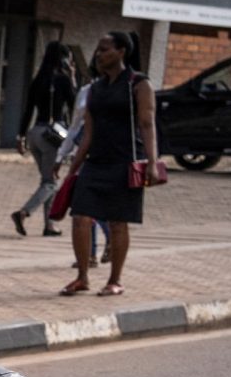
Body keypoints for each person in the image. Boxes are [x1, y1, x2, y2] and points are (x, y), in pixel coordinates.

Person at [63, 30, 160, 298]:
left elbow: (147, 123)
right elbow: (89, 132)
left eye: (105, 49)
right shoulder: (95, 88)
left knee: (118, 222)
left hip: (125, 161)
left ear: (121, 52)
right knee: (80, 217)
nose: (99, 54)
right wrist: (74, 166)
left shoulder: (139, 84)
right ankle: (82, 277)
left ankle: (115, 280)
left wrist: (152, 162)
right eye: (98, 50)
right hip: (96, 162)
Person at [10, 41, 75, 237]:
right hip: (52, 137)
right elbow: (75, 105)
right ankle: (23, 213)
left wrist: (20, 136)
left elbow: (28, 110)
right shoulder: (62, 81)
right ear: (63, 60)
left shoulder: (38, 80)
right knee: (50, 182)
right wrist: (72, 79)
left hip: (35, 134)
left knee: (47, 179)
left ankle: (50, 225)